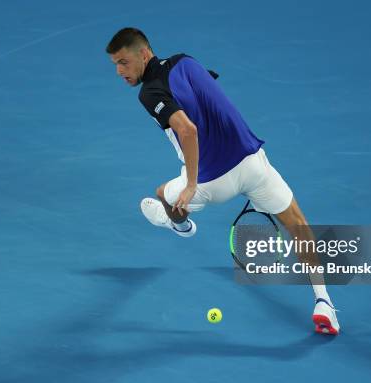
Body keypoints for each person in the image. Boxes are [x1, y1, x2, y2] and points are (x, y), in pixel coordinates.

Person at [106, 27, 340, 335]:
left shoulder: (149, 93)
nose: (119, 71)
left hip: (210, 182)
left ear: (144, 54)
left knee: (165, 193)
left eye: (123, 62)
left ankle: (180, 225)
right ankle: (324, 301)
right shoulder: (186, 61)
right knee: (298, 224)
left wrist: (191, 183)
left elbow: (187, 130)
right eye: (115, 65)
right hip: (253, 164)